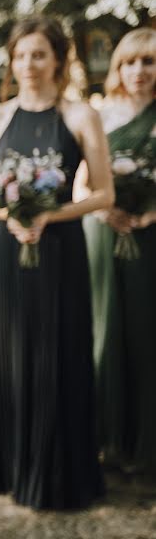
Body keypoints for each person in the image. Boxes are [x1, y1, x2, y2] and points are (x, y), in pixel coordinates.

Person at [0, 16, 113, 509]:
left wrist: (52, 214)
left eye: (39, 55)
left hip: (60, 248)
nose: (28, 65)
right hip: (6, 248)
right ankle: (10, 465)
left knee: (59, 347)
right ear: (12, 60)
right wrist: (10, 216)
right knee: (10, 351)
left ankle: (61, 471)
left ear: (58, 60)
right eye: (20, 55)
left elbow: (104, 193)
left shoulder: (80, 116)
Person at [79, 27, 156, 471]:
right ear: (117, 67)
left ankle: (147, 445)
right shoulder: (101, 117)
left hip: (150, 236)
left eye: (148, 62)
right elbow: (80, 181)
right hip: (104, 232)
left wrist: (149, 215)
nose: (139, 71)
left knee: (147, 330)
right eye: (130, 62)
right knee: (106, 328)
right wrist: (105, 211)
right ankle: (110, 440)